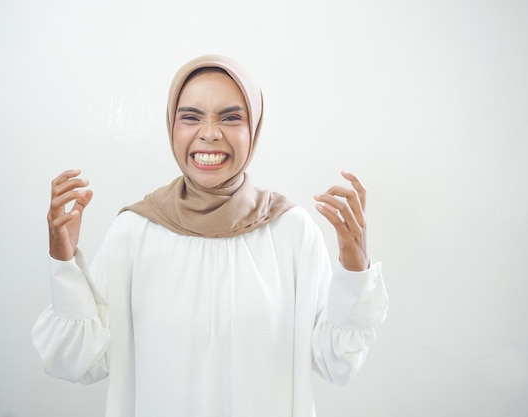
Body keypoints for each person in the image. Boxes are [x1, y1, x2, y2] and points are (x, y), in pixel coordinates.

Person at [32, 55, 389, 417]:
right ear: (171, 125)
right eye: (191, 117)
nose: (210, 132)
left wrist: (354, 269)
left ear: (255, 127)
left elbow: (336, 362)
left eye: (231, 117)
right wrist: (63, 263)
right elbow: (79, 362)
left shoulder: (291, 231)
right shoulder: (135, 231)